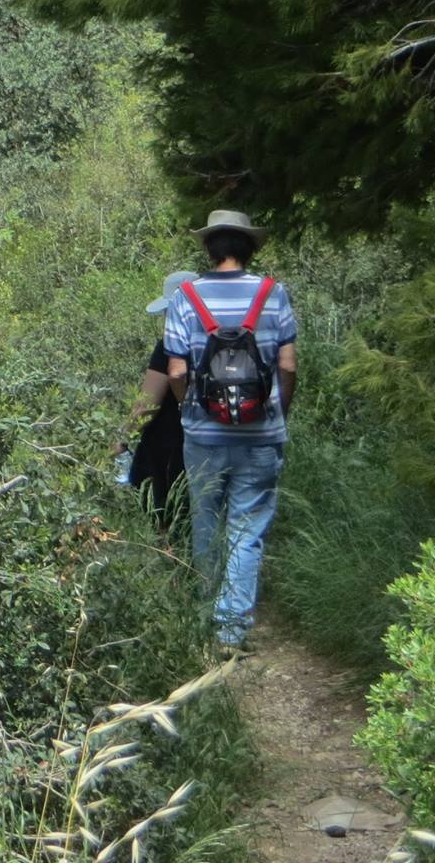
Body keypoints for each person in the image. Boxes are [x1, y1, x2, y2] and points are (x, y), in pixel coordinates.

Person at [163, 210, 298, 651]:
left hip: (203, 434)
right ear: (250, 248)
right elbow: (287, 365)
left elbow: (177, 370)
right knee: (247, 528)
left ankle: (205, 614)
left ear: (209, 248)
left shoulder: (186, 296)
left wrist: (189, 410)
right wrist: (279, 411)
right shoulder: (272, 293)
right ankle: (231, 628)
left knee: (205, 521)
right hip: (261, 434)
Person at [116, 271, 194, 529]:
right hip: (207, 441)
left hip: (167, 447)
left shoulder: (169, 348)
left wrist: (122, 438)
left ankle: (174, 563)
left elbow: (146, 405)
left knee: (166, 518)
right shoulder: (212, 341)